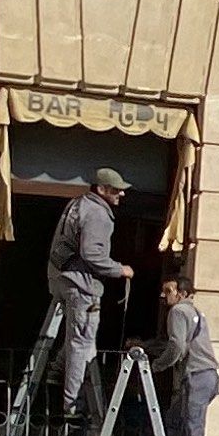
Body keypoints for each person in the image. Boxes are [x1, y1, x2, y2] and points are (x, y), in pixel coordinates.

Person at [47, 167, 133, 420]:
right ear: (101, 189)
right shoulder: (98, 214)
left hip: (64, 279)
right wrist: (120, 270)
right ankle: (73, 405)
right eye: (116, 190)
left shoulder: (77, 204)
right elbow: (92, 254)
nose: (121, 195)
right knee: (82, 344)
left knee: (75, 337)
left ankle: (55, 372)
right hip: (83, 285)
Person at [147, 274, 219, 436]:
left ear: (183, 293)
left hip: (197, 377)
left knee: (191, 435)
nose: (163, 296)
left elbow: (177, 346)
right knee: (174, 422)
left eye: (168, 291)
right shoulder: (197, 313)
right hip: (207, 377)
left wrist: (157, 366)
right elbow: (181, 343)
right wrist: (148, 346)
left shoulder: (178, 312)